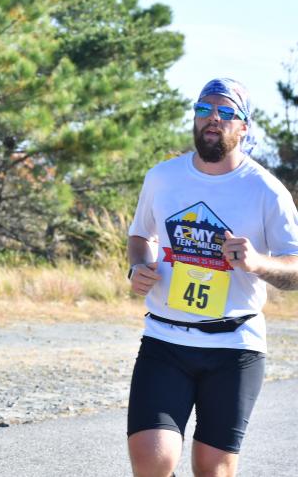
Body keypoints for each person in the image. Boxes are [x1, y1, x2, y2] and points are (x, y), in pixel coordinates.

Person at [126, 78, 298, 477]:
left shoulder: (266, 191)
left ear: (244, 127)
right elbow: (140, 236)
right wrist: (137, 266)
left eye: (226, 112)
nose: (212, 119)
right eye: (204, 109)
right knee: (153, 460)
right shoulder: (163, 177)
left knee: (212, 469)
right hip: (165, 338)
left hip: (235, 346)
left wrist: (257, 263)